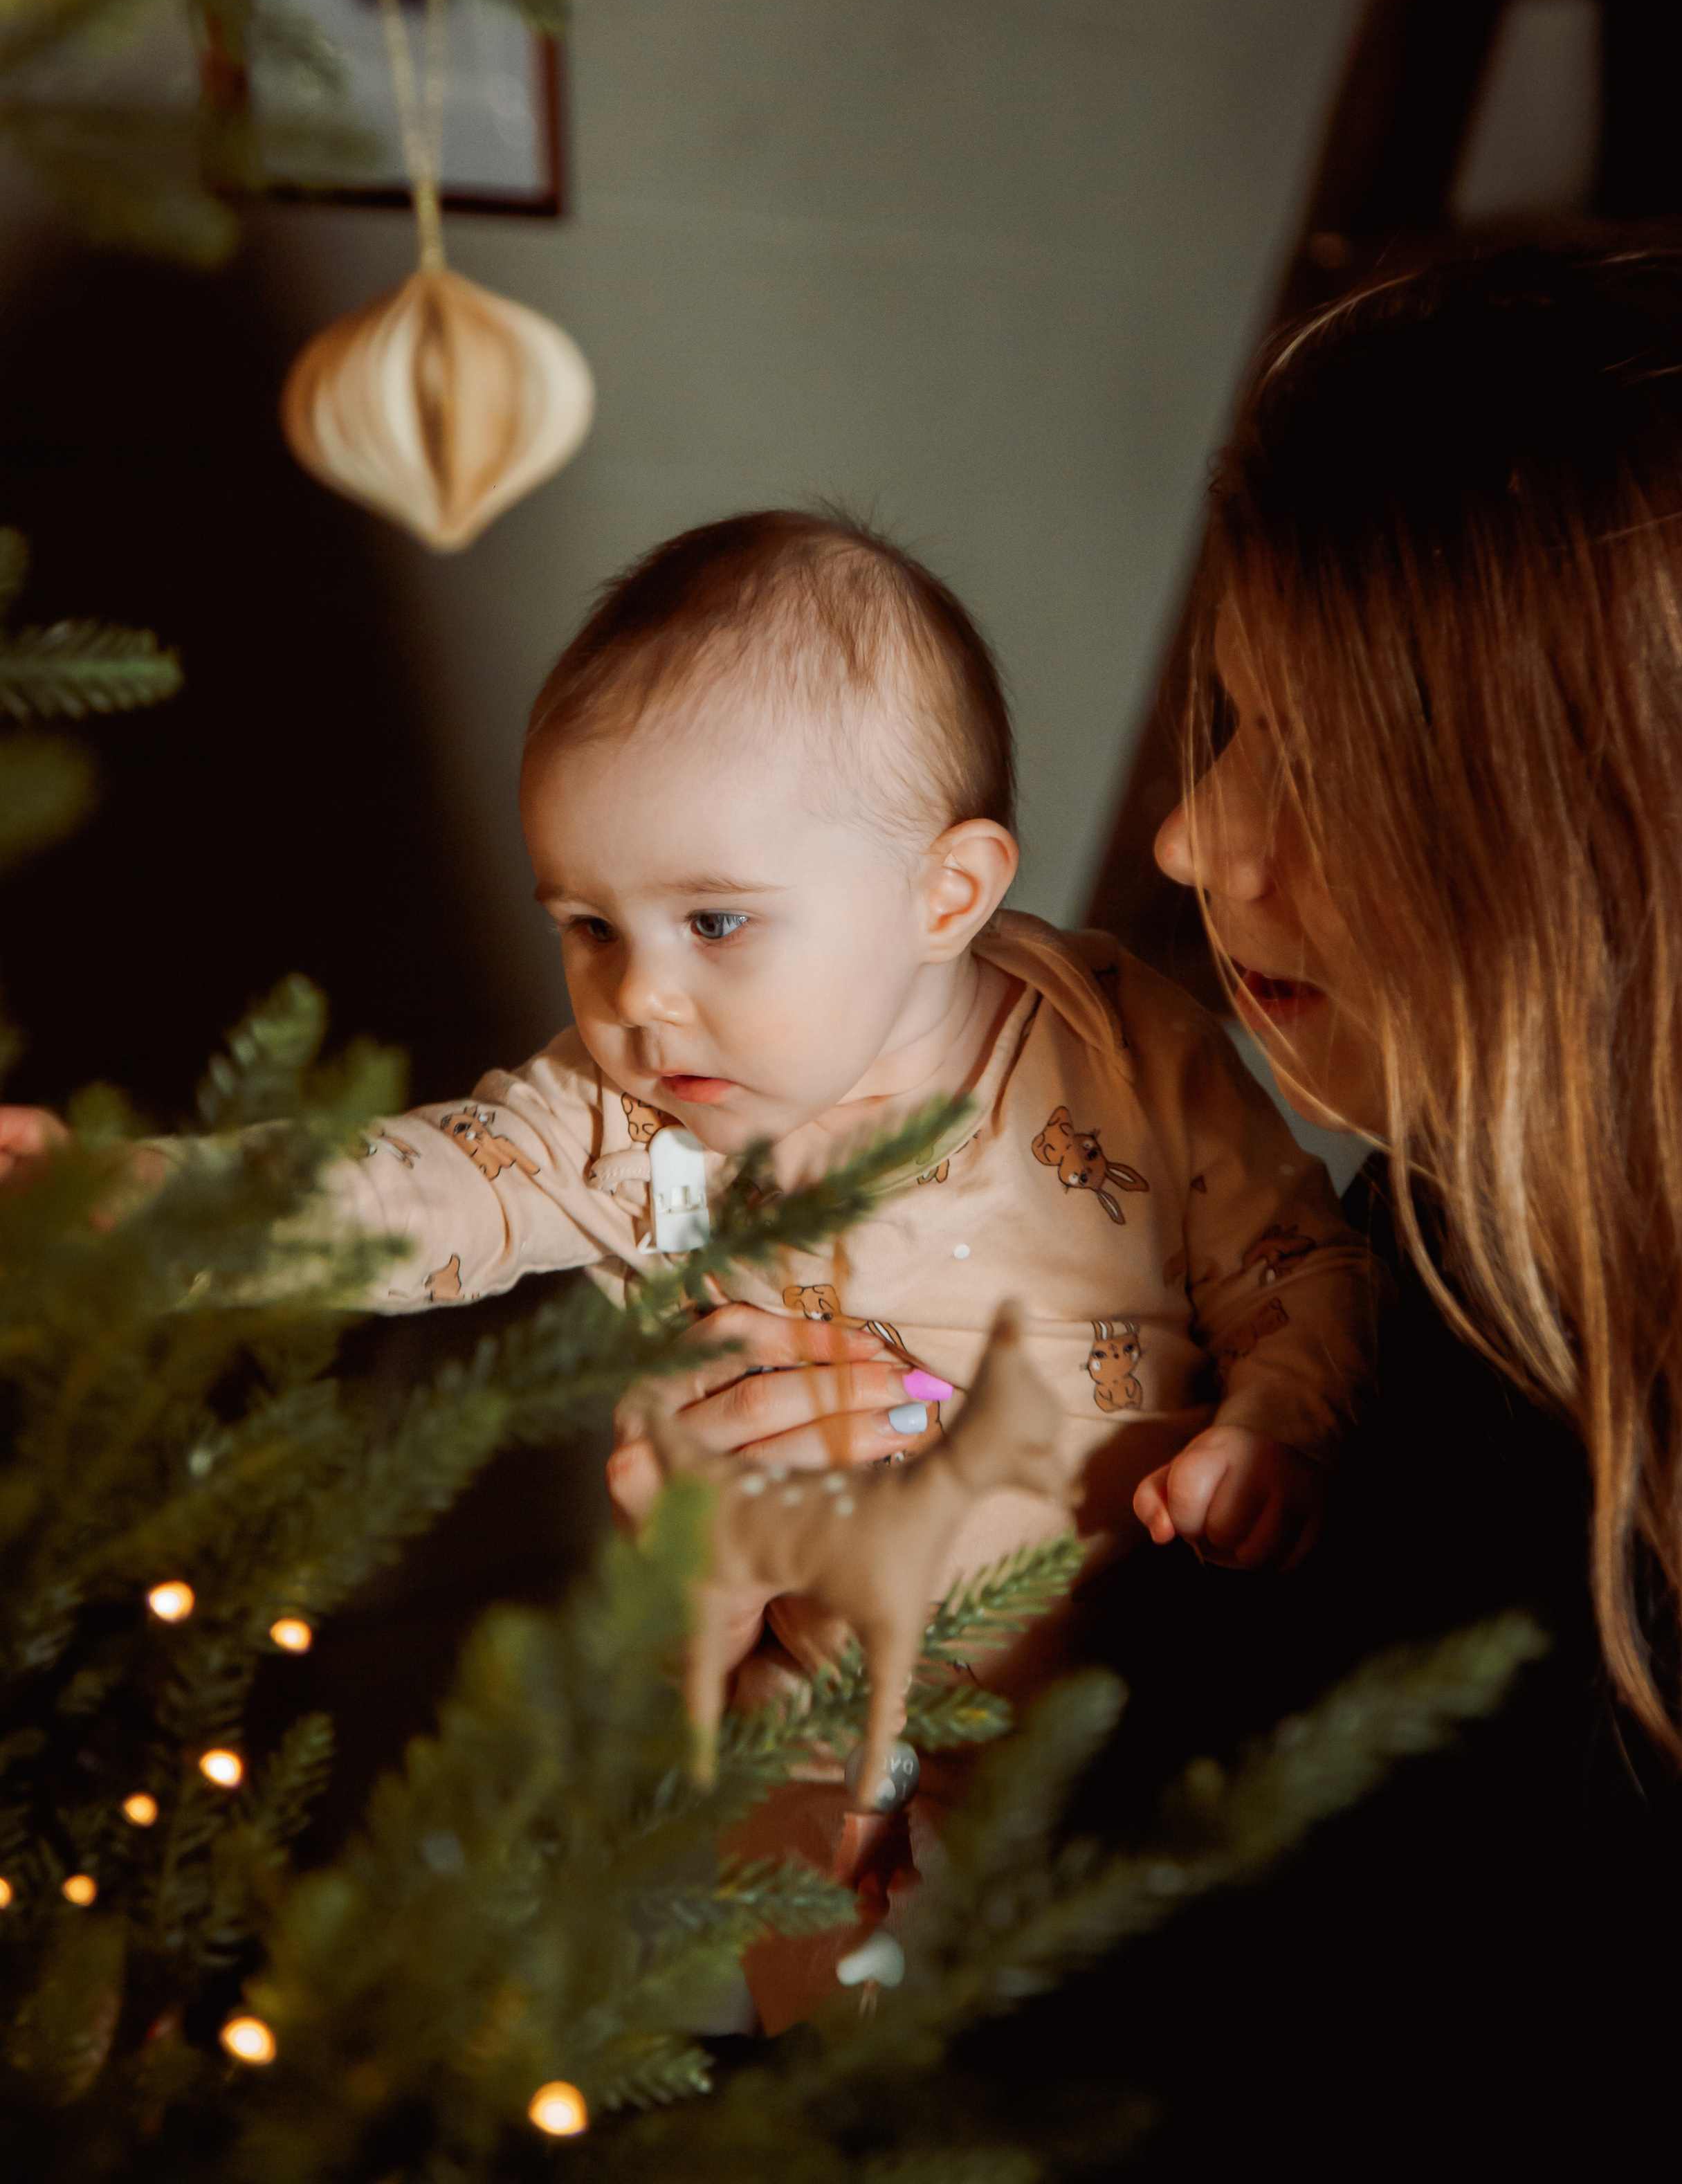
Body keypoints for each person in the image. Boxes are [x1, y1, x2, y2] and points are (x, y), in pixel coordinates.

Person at [310, 508, 1376, 1650]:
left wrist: (1277, 1431)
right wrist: (160, 1211)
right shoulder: (644, 1123)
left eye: (715, 921)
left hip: (1141, 1719)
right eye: (590, 925)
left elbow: (1296, 1270)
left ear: (946, 897)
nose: (637, 996)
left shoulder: (1114, 1042)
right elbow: (427, 1185)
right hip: (814, 1734)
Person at [1156, 245, 1682, 1856]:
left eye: (1321, 758)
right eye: (1229, 728)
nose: (1189, 841)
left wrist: (850, 1721)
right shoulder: (1426, 1253)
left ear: (1633, 837)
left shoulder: (1550, 1530)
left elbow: (1034, 2082)